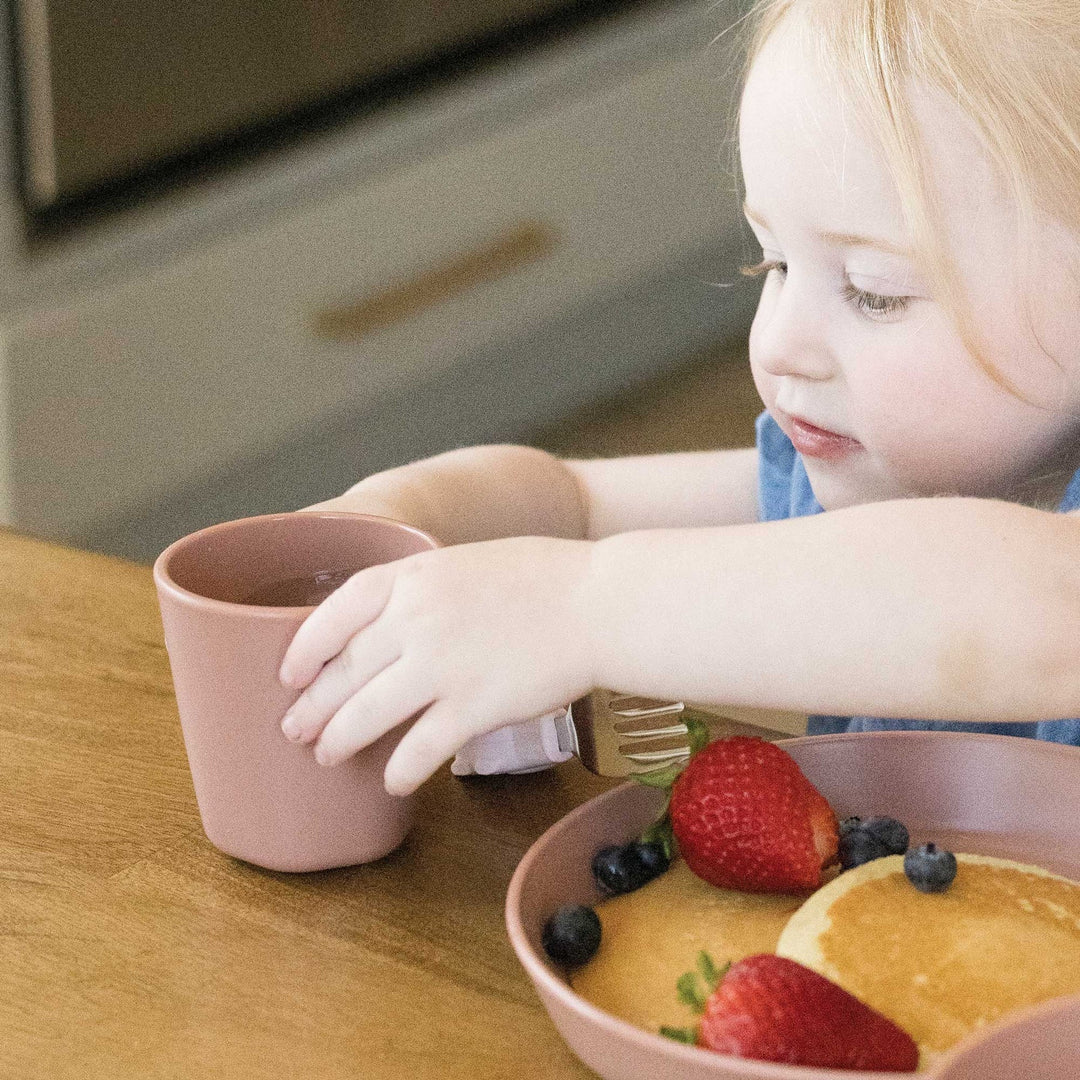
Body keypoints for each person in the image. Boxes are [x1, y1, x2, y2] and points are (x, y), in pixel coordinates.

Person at [277, 0, 1080, 797]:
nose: (777, 344)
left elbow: (1041, 608)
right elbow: (572, 501)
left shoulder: (1046, 586)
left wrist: (581, 604)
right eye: (775, 266)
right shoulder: (855, 479)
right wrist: (393, 519)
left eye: (873, 292)